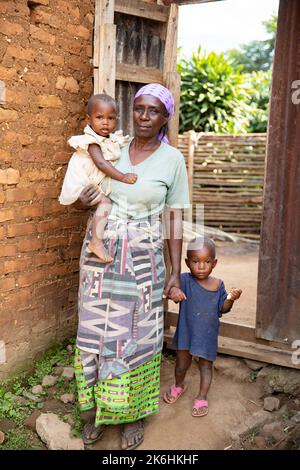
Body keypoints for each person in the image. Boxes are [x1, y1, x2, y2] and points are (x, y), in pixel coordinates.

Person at [72, 83, 190, 449]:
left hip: (144, 259)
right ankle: (93, 412)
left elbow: (173, 218)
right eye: (139, 108)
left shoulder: (173, 160)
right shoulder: (112, 146)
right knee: (95, 334)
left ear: (165, 117)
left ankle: (131, 415)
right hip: (100, 255)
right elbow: (86, 193)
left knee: (136, 337)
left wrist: (173, 272)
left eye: (153, 110)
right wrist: (82, 200)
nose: (143, 116)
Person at [164, 236, 242, 417]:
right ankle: (179, 385)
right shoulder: (183, 280)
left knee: (206, 367)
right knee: (181, 365)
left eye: (206, 262)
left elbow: (223, 308)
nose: (201, 266)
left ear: (214, 263)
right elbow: (168, 291)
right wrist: (173, 292)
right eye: (195, 261)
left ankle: (202, 396)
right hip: (186, 332)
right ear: (187, 262)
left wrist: (230, 299)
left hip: (206, 335)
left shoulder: (218, 285)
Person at [59, 93, 137, 262]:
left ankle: (97, 242)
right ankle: (96, 243)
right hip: (81, 183)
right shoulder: (91, 141)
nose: (105, 122)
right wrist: (123, 177)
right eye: (99, 117)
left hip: (91, 179)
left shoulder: (107, 139)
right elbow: (101, 164)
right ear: (88, 119)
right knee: (105, 202)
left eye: (111, 118)